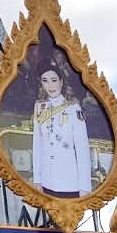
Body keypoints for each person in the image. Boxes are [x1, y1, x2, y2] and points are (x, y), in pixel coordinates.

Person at [29, 63, 92, 198]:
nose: (50, 86)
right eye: (45, 81)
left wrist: (84, 187)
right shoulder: (39, 108)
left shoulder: (73, 109)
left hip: (69, 181)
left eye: (53, 80)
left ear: (61, 82)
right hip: (47, 180)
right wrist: (37, 179)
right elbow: (37, 145)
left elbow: (82, 150)